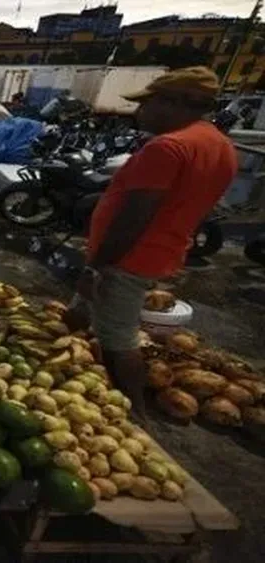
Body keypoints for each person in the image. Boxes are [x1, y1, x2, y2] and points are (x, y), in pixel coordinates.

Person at [67, 67, 238, 422]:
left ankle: (135, 416)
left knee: (118, 336)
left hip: (126, 257)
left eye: (148, 103)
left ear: (174, 102)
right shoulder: (219, 145)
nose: (139, 112)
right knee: (80, 312)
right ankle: (68, 368)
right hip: (161, 249)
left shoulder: (168, 148)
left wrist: (94, 267)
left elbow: (134, 218)